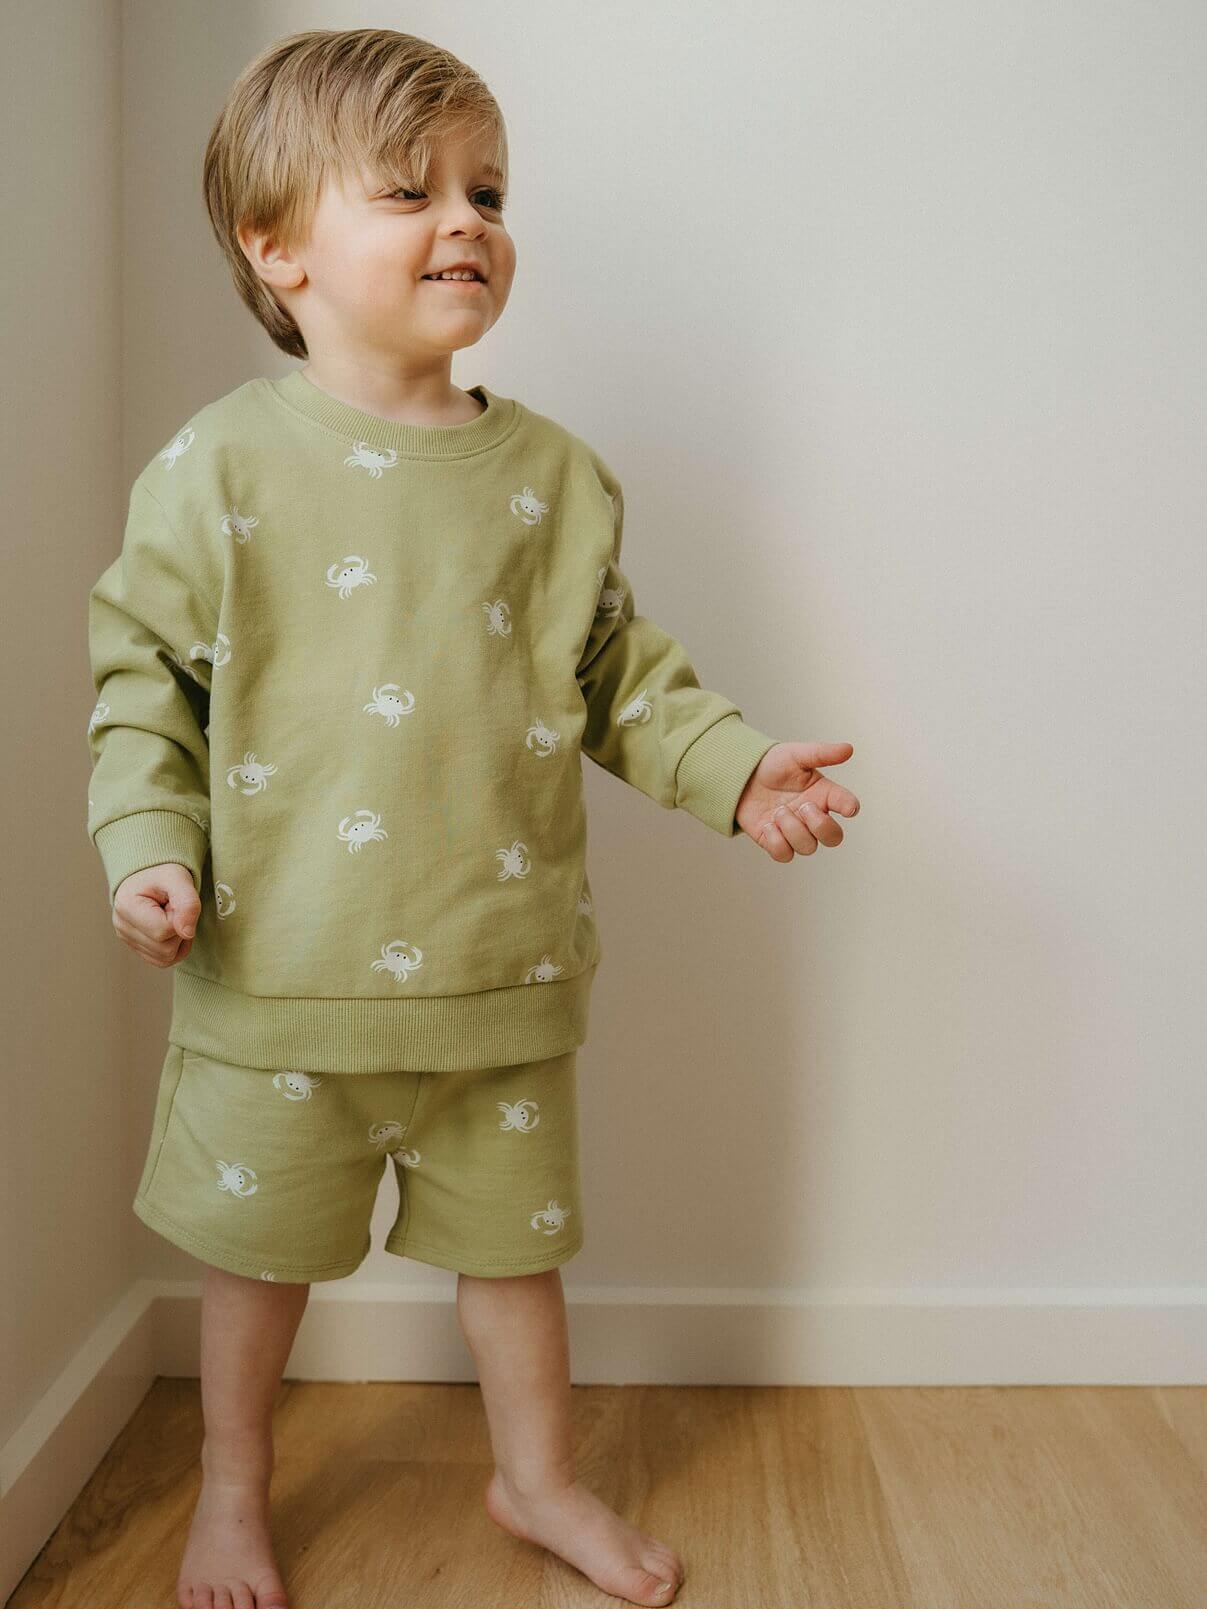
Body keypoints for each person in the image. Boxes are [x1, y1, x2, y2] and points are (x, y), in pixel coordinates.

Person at [86, 27, 860, 1609]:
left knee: (517, 1262)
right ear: (277, 246)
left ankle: (538, 1479)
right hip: (279, 982)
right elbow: (143, 689)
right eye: (410, 191)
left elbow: (621, 678)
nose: (468, 221)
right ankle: (231, 1489)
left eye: (488, 192)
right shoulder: (216, 471)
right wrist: (147, 850)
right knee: (256, 1266)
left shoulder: (555, 482)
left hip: (501, 975)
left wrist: (736, 769)